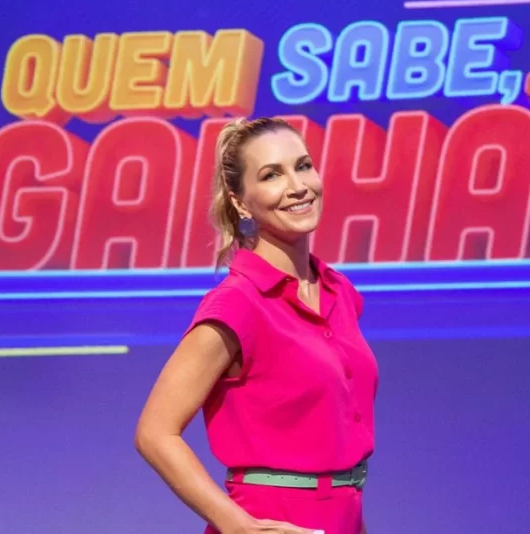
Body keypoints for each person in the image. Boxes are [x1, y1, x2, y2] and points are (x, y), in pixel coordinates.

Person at [134, 117, 378, 534]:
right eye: (271, 175)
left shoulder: (339, 291)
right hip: (274, 517)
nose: (298, 186)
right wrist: (236, 524)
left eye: (303, 166)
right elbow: (155, 432)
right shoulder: (239, 303)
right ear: (241, 202)